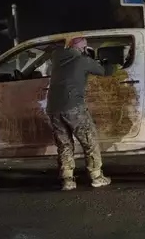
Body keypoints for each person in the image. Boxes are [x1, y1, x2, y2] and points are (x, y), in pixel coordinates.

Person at [46, 36, 115, 191]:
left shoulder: (57, 59)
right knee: (89, 140)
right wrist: (110, 63)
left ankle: (67, 180)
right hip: (73, 107)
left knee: (64, 144)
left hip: (53, 109)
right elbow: (105, 71)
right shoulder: (83, 60)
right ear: (83, 49)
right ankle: (97, 177)